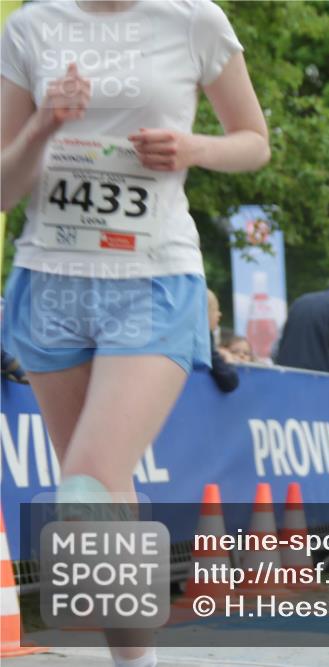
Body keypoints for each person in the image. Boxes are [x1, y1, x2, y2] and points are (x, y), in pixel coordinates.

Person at [1, 2, 269, 665]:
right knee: (104, 493)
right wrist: (43, 124)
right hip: (51, 281)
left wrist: (194, 148)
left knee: (88, 484)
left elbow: (255, 140)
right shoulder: (30, 27)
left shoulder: (193, 18)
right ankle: (136, 660)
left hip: (153, 279)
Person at [206, 289, 238, 392]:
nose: (220, 314)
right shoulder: (204, 340)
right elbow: (230, 382)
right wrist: (229, 361)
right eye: (216, 309)